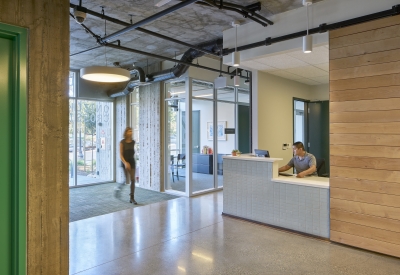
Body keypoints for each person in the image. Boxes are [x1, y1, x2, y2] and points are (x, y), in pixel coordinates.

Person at [116, 127, 138, 204]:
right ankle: (118, 189)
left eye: (131, 131)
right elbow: (121, 155)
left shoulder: (133, 142)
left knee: (133, 179)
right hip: (124, 161)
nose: (130, 132)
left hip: (132, 161)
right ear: (126, 132)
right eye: (129, 131)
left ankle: (132, 197)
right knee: (126, 180)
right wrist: (125, 163)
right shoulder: (122, 142)